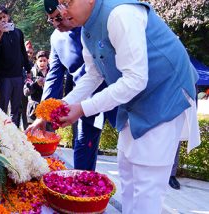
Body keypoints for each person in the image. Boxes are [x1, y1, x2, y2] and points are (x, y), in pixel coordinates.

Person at [53, 0, 201, 213]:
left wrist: (83, 109)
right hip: (133, 102)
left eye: (68, 2)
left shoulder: (120, 14)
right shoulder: (86, 29)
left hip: (163, 97)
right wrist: (62, 105)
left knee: (147, 183)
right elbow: (93, 75)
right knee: (128, 173)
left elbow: (135, 80)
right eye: (60, 3)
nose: (63, 11)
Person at [26, 0, 116, 171]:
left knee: (130, 147)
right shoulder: (56, 38)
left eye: (58, 18)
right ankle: (83, 191)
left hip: (116, 92)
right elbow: (53, 77)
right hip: (83, 98)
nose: (56, 24)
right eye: (51, 20)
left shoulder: (90, 25)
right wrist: (43, 114)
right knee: (83, 147)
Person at [0, 5, 32, 127]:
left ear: (8, 16)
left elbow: (23, 51)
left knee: (16, 108)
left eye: (4, 16)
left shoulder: (18, 32)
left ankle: (15, 135)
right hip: (4, 77)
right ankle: (2, 134)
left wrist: (28, 69)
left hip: (18, 75)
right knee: (2, 108)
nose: (3, 20)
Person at [24, 51, 49, 124]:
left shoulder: (52, 73)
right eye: (40, 61)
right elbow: (26, 92)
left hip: (48, 109)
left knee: (49, 134)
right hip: (34, 111)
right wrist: (36, 84)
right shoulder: (31, 73)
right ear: (36, 61)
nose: (42, 63)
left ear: (48, 61)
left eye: (44, 61)